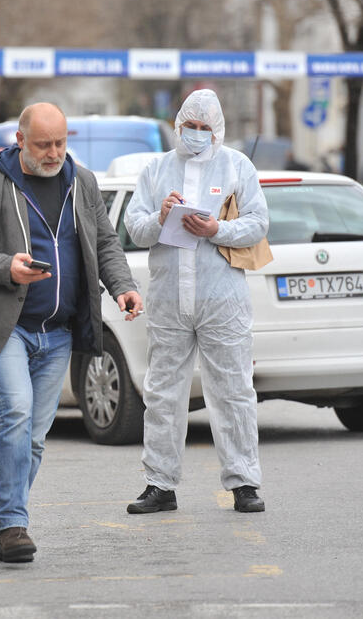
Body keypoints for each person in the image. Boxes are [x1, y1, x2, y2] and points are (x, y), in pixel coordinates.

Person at [0, 102, 143, 563]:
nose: (54, 153)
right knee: (15, 411)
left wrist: (123, 287)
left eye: (60, 142)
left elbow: (105, 243)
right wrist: (6, 267)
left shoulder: (83, 182)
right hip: (6, 326)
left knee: (33, 436)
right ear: (20, 141)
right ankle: (15, 525)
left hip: (58, 332)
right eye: (43, 144)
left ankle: (0, 523)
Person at [122, 89, 269, 516]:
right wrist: (160, 215)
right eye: (192, 126)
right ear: (179, 124)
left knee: (233, 390)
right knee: (163, 391)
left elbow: (258, 224)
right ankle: (159, 484)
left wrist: (216, 230)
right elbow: (135, 227)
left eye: (206, 128)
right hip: (170, 298)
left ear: (218, 130)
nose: (198, 134)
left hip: (222, 298)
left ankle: (244, 482)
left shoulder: (237, 166)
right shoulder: (156, 170)